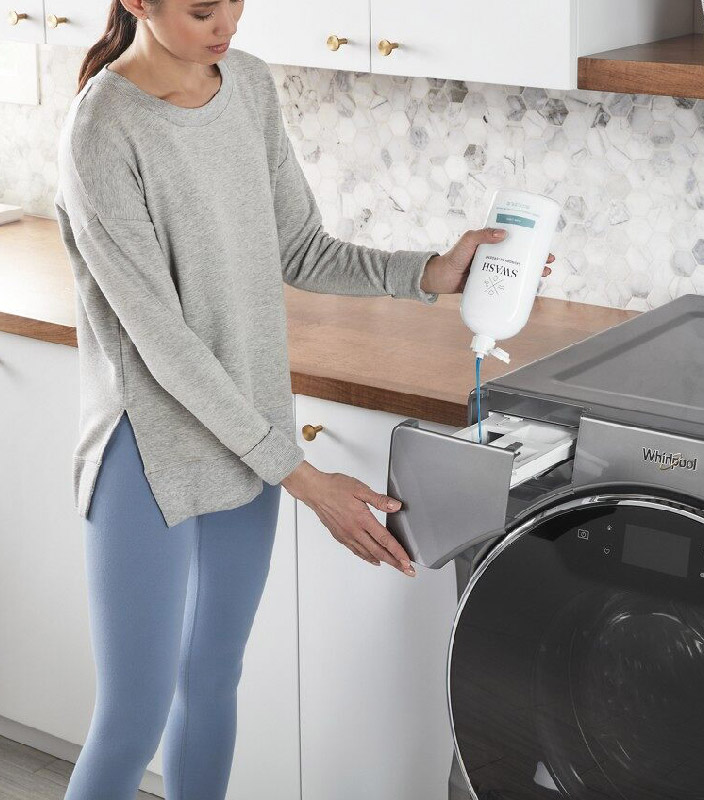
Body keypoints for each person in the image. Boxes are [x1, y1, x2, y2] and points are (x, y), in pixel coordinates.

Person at [53, 1, 554, 797]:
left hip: (249, 433)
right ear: (137, 2)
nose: (228, 22)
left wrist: (429, 272)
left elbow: (301, 247)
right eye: (202, 8)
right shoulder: (102, 130)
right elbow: (165, 346)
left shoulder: (246, 86)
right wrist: (304, 478)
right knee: (131, 718)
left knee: (213, 682)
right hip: (149, 451)